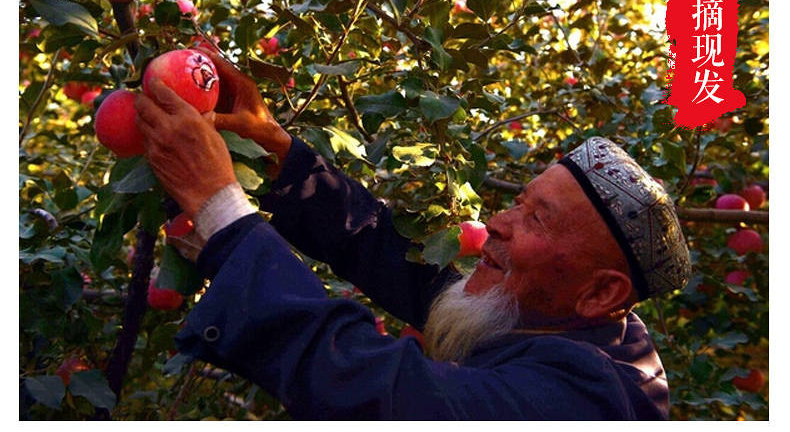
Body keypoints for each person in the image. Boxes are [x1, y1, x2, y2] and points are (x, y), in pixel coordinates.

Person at [134, 46, 692, 420]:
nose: (496, 223)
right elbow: (395, 258)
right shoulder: (558, 316)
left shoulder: (583, 402)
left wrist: (219, 208)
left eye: (535, 219)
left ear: (602, 292)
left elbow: (371, 388)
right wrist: (279, 151)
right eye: (518, 203)